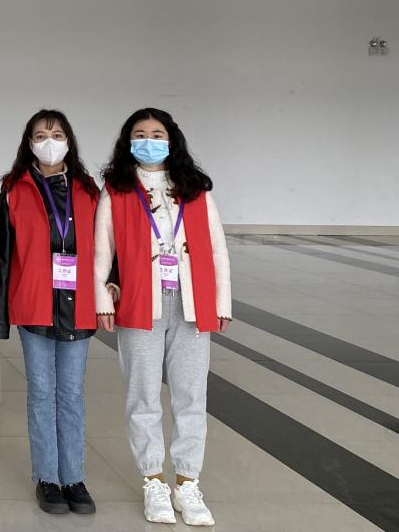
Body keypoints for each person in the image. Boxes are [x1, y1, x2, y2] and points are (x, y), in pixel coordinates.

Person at [94, 108, 231, 527]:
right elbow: (103, 249)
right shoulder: (116, 189)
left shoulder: (195, 189)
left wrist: (221, 302)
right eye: (140, 134)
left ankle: (187, 483)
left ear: (171, 140)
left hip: (191, 303)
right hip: (140, 303)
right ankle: (153, 480)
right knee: (143, 396)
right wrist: (102, 298)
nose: (148, 141)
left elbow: (218, 248)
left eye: (157, 134)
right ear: (127, 141)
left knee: (191, 395)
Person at [0, 109, 102, 517]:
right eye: (40, 135)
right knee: (41, 393)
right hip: (33, 303)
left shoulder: (89, 190)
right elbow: (2, 254)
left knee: (71, 394)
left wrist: (109, 291)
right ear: (29, 143)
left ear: (69, 141)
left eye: (57, 134)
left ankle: (74, 478)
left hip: (79, 305)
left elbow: (105, 249)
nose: (49, 142)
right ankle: (48, 478)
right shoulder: (14, 189)